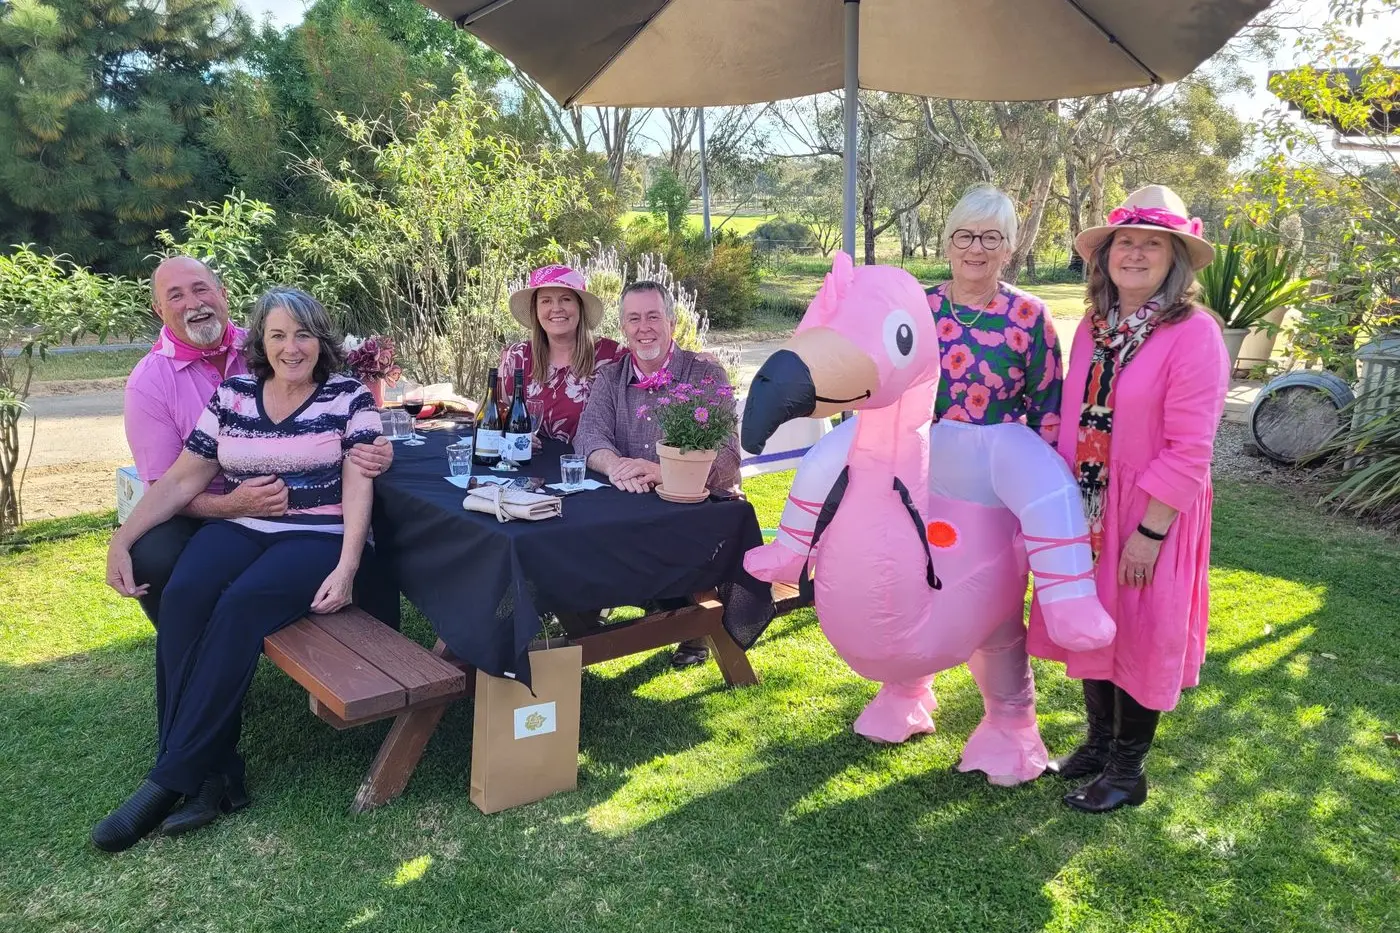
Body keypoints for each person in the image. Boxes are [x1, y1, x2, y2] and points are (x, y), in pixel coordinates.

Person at [94, 287, 383, 852]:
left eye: (303, 334)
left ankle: (168, 779)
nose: (291, 348)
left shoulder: (348, 395)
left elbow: (358, 485)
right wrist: (121, 540)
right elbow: (183, 477)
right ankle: (212, 771)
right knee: (184, 593)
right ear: (260, 342)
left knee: (240, 606)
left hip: (316, 535)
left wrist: (348, 567)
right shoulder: (235, 393)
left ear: (321, 340)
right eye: (278, 335)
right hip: (242, 525)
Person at [1027, 184, 1228, 813]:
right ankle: (1097, 745)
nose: (1135, 254)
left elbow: (1191, 449)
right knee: (1093, 624)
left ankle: (1127, 770)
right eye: (1125, 242)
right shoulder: (1095, 328)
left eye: (1152, 245)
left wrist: (1150, 533)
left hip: (1148, 511)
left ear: (1175, 260)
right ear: (1106, 256)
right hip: (1088, 505)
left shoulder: (1194, 334)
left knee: (1140, 631)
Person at [123, 257, 393, 628]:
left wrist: (374, 447)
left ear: (223, 293)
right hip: (202, 507)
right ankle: (192, 634)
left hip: (295, 514)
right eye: (176, 296)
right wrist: (230, 506)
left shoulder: (270, 337)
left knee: (246, 598)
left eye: (201, 289)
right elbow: (169, 484)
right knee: (160, 564)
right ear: (159, 310)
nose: (193, 303)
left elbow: (333, 408)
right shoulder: (149, 382)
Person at [573, 280, 741, 667]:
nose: (643, 327)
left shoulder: (704, 374)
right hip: (633, 507)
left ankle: (692, 621)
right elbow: (588, 436)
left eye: (653, 316)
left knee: (657, 545)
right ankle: (593, 606)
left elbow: (728, 456)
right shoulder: (611, 377)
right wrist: (615, 465)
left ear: (672, 323)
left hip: (699, 509)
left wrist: (661, 471)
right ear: (623, 328)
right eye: (634, 319)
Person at [926, 183, 1062, 444]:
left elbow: (1047, 416)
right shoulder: (919, 308)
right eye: (964, 236)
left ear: (1008, 250)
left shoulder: (1030, 316)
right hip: (926, 462)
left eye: (990, 237)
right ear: (948, 245)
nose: (976, 248)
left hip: (1002, 462)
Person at [500, 265, 627, 443]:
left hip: (591, 460)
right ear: (535, 310)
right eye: (546, 301)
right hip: (525, 459)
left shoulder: (614, 357)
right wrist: (510, 433)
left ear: (580, 307)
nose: (556, 308)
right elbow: (493, 416)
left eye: (566, 299)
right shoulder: (517, 357)